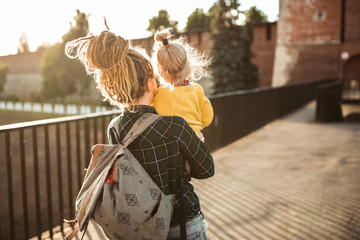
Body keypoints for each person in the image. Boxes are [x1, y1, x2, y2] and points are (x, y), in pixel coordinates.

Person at [65, 27, 214, 240]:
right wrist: (197, 143)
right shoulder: (176, 126)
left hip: (145, 228)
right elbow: (206, 170)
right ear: (150, 83)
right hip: (182, 222)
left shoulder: (115, 128)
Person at [151, 29, 214, 138]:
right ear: (188, 64)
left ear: (160, 72)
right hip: (193, 140)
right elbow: (207, 118)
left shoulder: (158, 94)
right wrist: (196, 127)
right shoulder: (197, 90)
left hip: (168, 145)